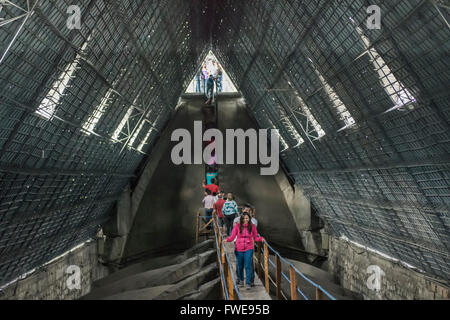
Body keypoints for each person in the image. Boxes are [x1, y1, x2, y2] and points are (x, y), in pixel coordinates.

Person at [226, 213, 264, 289]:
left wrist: (261, 239)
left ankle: (248, 283)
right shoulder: (237, 226)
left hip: (249, 248)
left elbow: (256, 237)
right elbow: (232, 236)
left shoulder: (252, 226)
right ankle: (240, 280)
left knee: (248, 265)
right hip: (238, 248)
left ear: (249, 219)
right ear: (241, 219)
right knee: (240, 265)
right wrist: (226, 239)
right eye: (244, 218)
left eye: (247, 218)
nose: (245, 220)